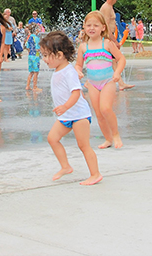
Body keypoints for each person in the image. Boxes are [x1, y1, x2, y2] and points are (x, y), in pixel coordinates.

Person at [40, 30, 102, 186]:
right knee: (52, 139)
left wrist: (65, 106)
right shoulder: (58, 70)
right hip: (66, 115)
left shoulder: (69, 72)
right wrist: (64, 109)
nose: (44, 59)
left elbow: (76, 93)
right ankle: (65, 166)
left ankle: (95, 174)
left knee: (83, 145)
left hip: (79, 115)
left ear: (59, 55)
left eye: (47, 55)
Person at [75, 11, 126, 150]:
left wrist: (117, 73)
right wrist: (78, 70)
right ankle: (108, 139)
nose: (92, 28)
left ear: (103, 27)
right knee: (98, 113)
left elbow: (121, 59)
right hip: (92, 84)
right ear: (84, 27)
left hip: (108, 81)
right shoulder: (83, 47)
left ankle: (115, 135)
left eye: (96, 25)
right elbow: (78, 64)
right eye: (89, 25)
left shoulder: (107, 44)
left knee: (105, 108)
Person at [99, 0, 134, 89]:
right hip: (107, 38)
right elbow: (105, 25)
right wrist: (114, 41)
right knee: (115, 59)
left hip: (108, 38)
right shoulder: (106, 7)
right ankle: (120, 84)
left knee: (112, 61)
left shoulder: (110, 7)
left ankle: (121, 84)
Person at [25, 23, 41, 91]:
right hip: (35, 56)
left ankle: (28, 86)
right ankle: (35, 87)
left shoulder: (29, 37)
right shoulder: (36, 38)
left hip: (30, 56)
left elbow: (27, 46)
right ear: (36, 30)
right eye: (38, 29)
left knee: (31, 72)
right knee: (36, 72)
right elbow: (37, 48)